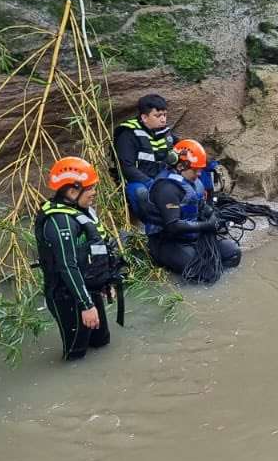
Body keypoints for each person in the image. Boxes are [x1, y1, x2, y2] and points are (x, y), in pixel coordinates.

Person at [35, 156, 124, 361]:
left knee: (101, 343)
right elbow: (67, 265)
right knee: (76, 356)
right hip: (68, 296)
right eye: (90, 188)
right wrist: (85, 305)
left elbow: (96, 249)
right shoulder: (59, 222)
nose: (94, 193)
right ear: (73, 191)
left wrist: (105, 281)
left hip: (88, 289)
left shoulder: (82, 211)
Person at [147, 139, 241, 282]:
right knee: (205, 274)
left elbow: (201, 206)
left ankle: (214, 270)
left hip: (193, 238)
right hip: (167, 242)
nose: (199, 174)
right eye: (196, 170)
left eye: (200, 169)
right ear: (180, 166)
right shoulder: (166, 188)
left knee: (233, 252)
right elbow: (173, 226)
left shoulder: (192, 181)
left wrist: (213, 216)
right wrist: (207, 225)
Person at [113, 94, 178, 221]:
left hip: (162, 176)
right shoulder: (128, 134)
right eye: (158, 116)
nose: (163, 120)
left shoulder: (164, 131)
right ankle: (149, 224)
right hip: (138, 181)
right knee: (141, 193)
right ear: (144, 117)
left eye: (164, 115)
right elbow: (126, 167)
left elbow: (182, 147)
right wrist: (151, 184)